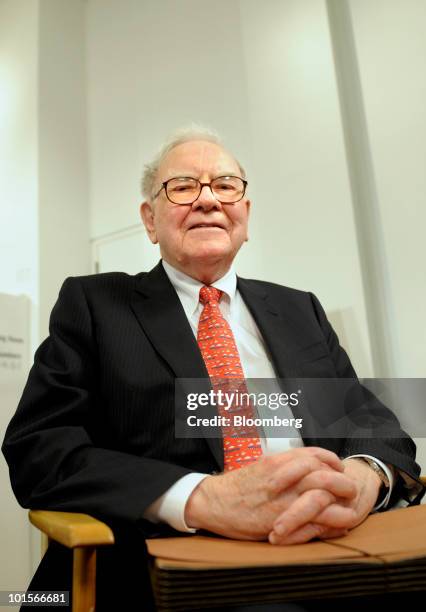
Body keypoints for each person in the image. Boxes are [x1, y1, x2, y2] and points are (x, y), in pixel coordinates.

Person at [2, 127, 424, 611]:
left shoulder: (299, 310)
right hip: (163, 565)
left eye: (225, 185)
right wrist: (204, 498)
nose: (208, 200)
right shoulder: (96, 305)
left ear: (245, 213)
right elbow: (39, 448)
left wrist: (363, 479)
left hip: (330, 553)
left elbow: (371, 423)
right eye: (182, 186)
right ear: (150, 220)